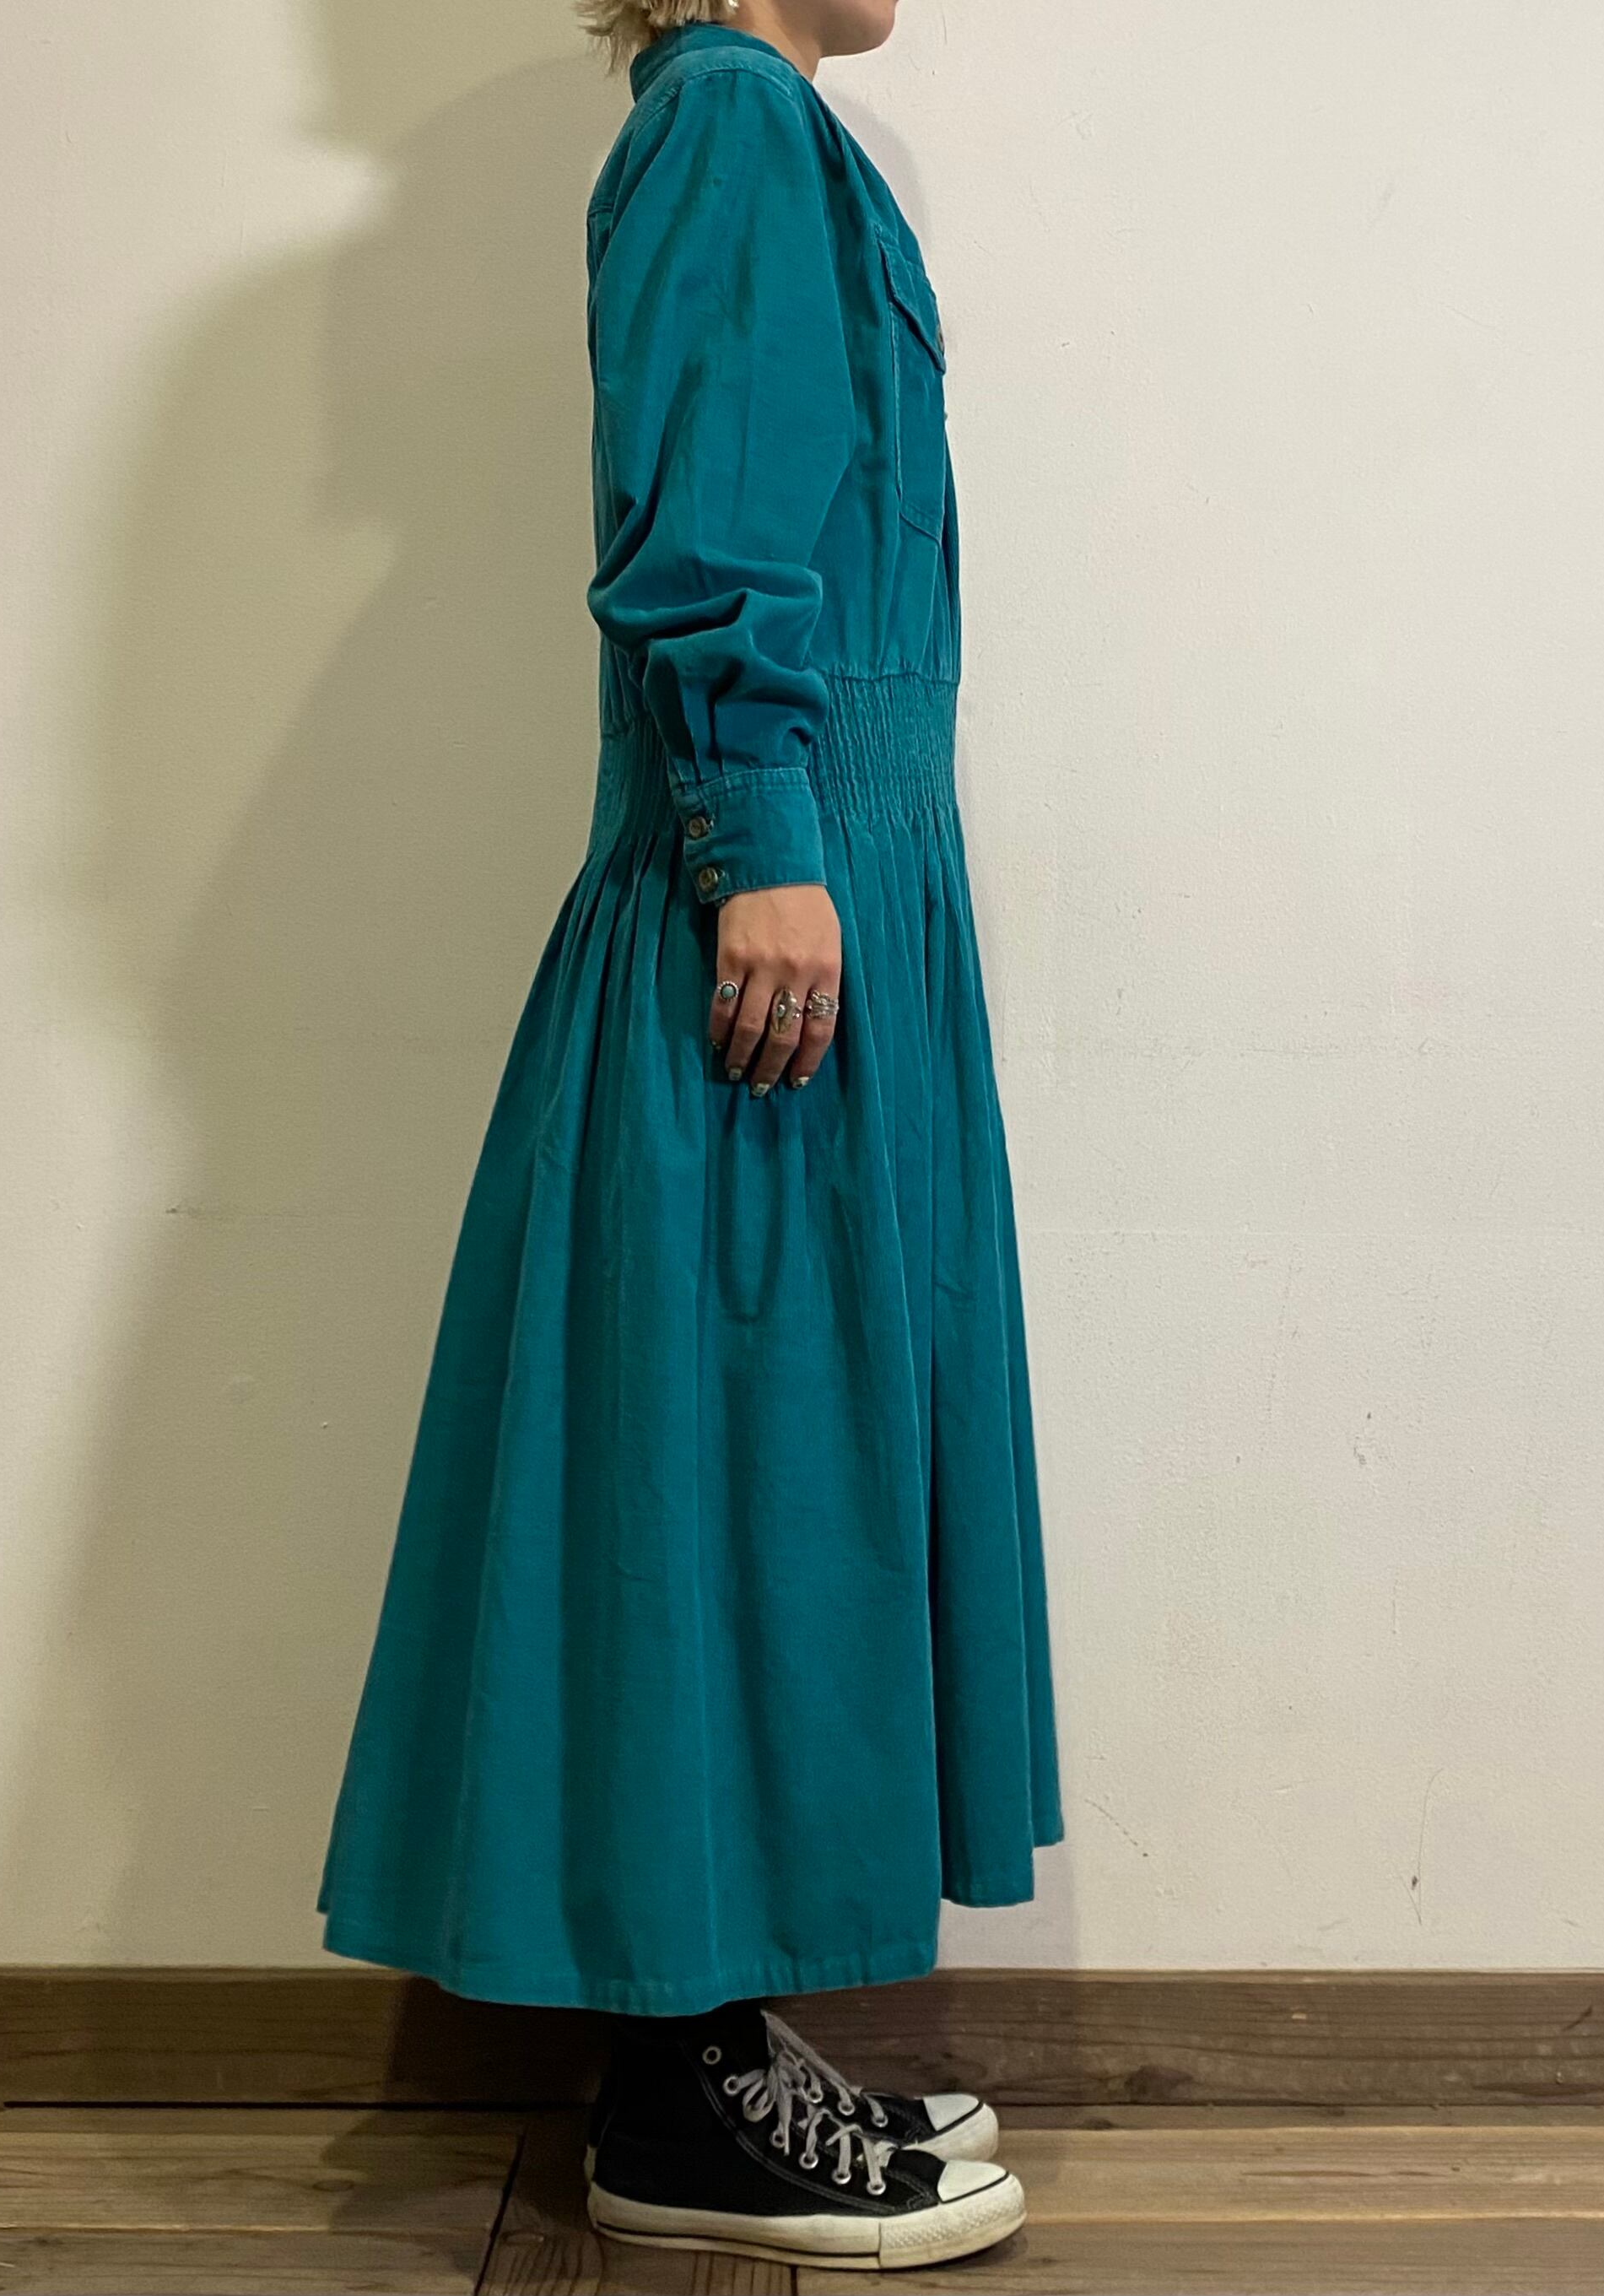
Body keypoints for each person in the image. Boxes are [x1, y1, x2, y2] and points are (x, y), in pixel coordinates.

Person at [316, 0, 1061, 2267]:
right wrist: (758, 836)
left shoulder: (766, 132)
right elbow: (708, 512)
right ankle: (670, 2097)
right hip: (775, 896)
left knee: (773, 1466)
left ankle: (717, 2036)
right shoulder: (731, 121)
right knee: (727, 1468)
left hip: (830, 876)